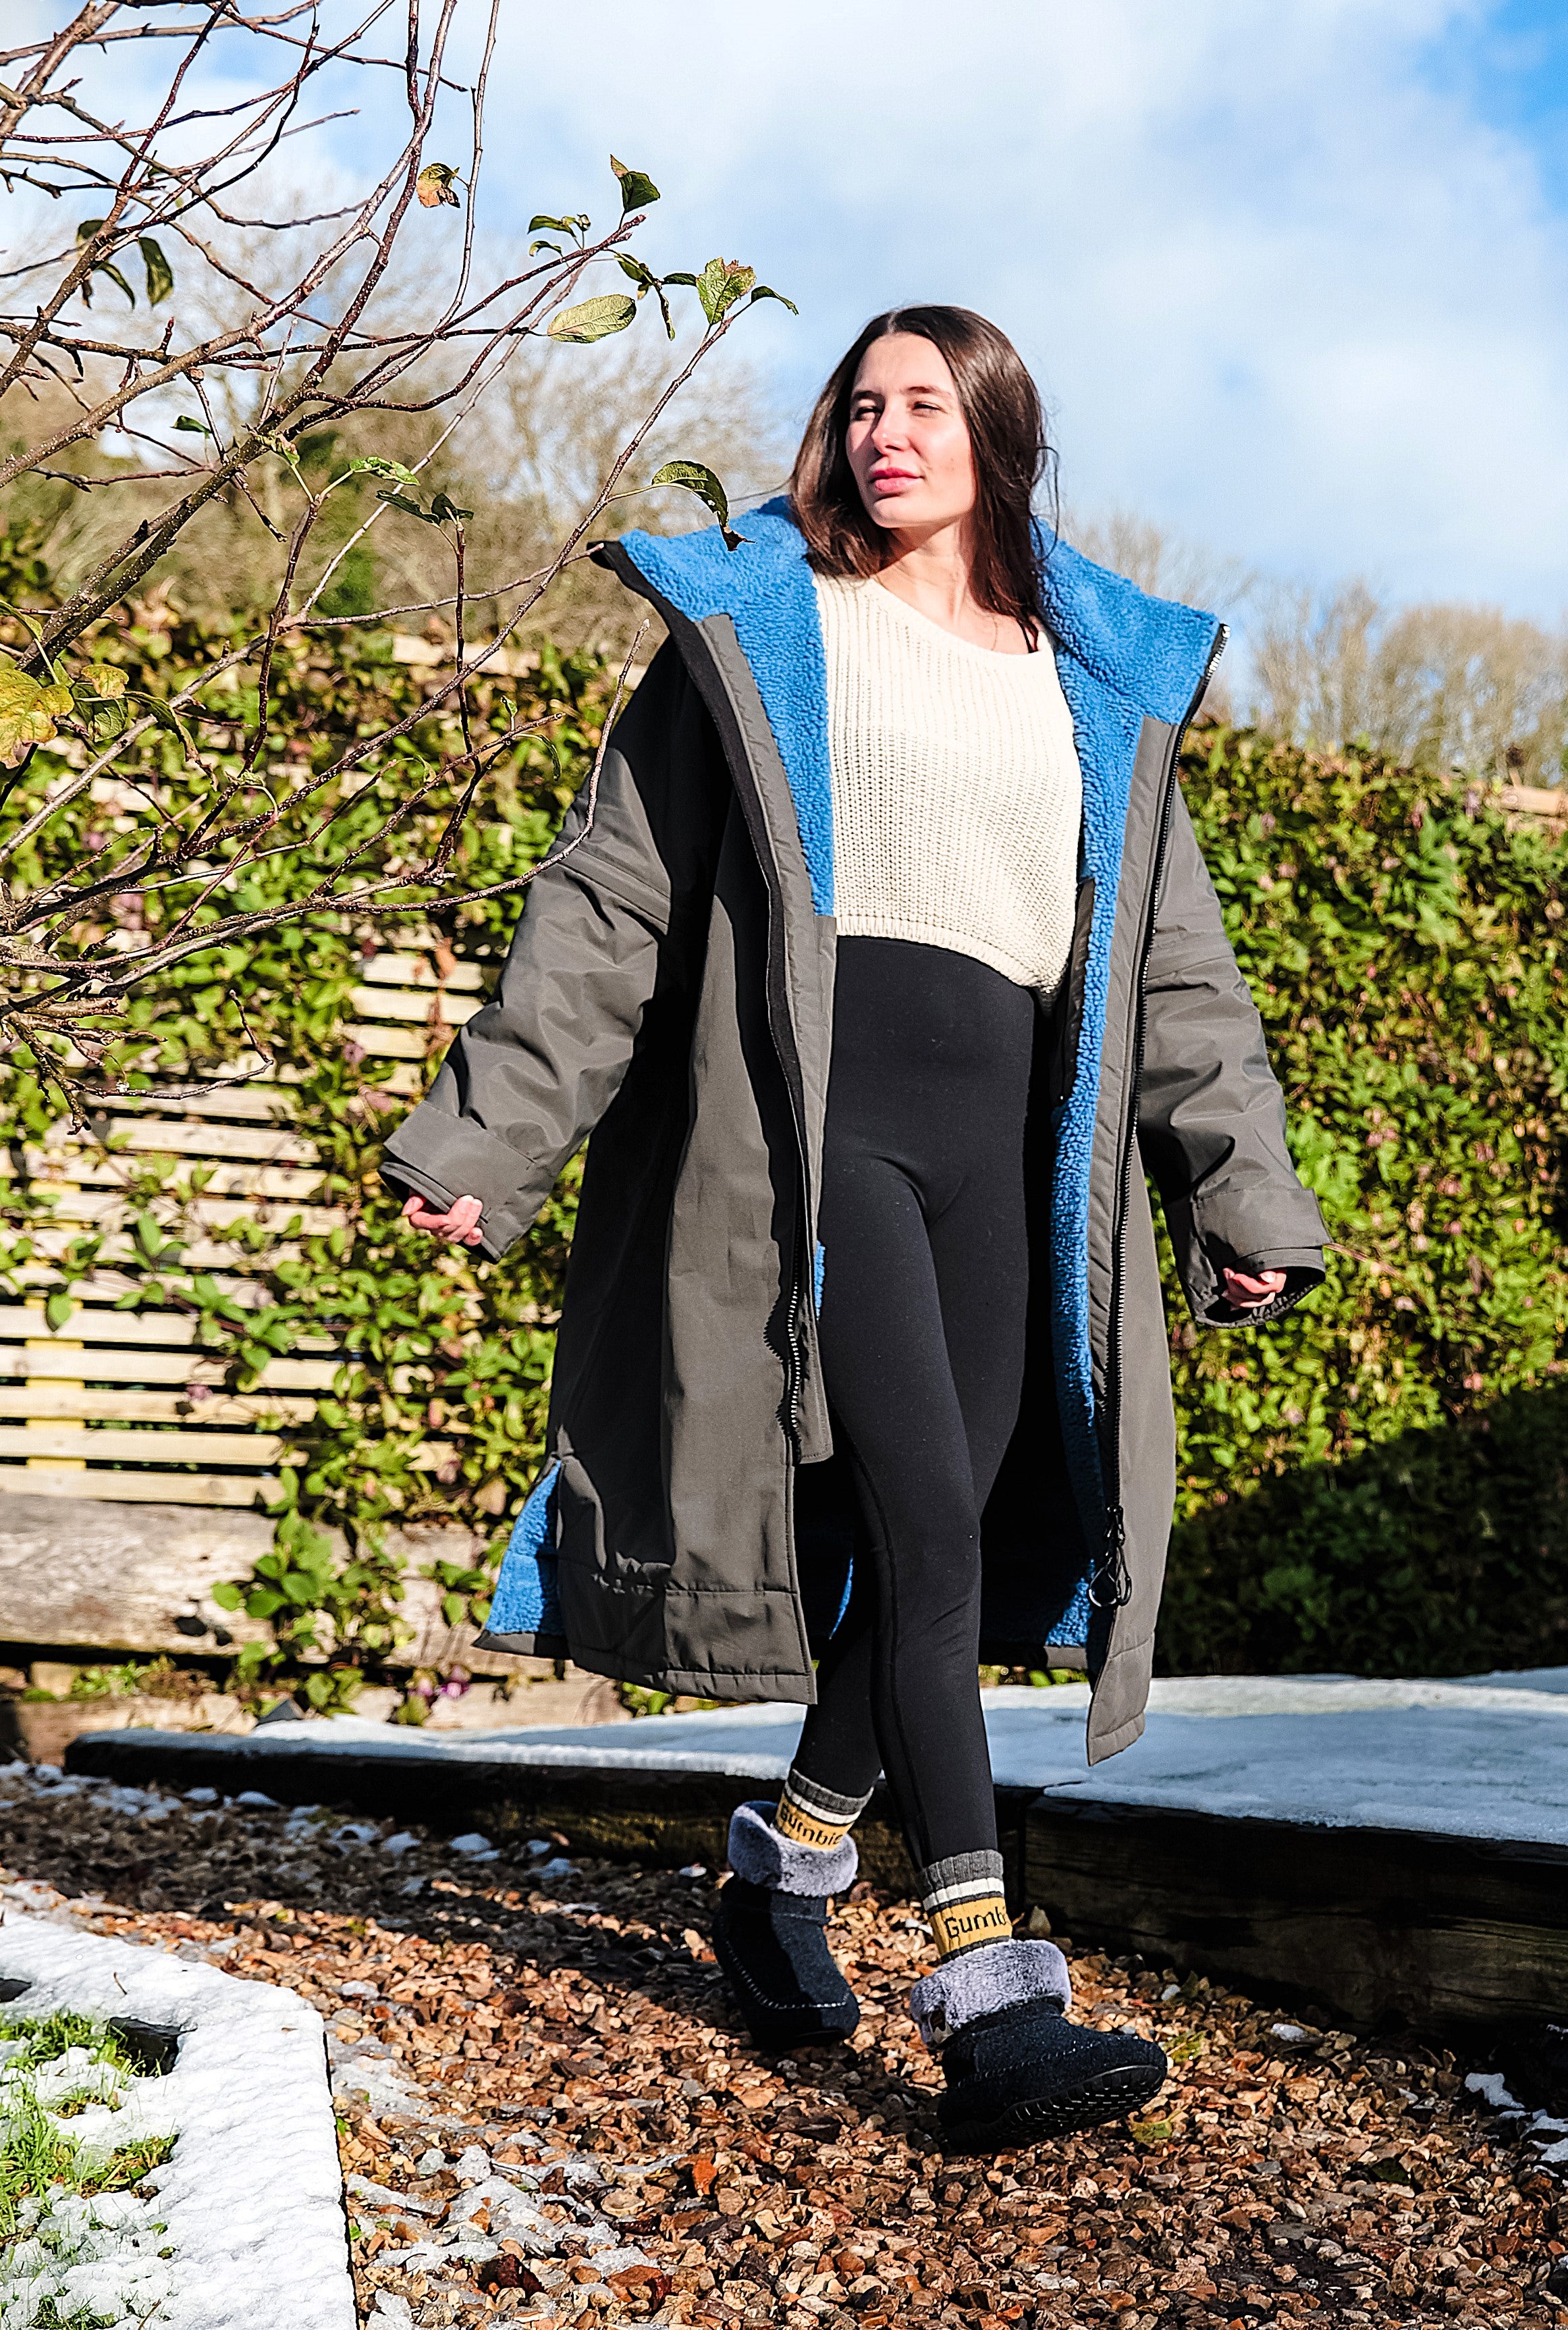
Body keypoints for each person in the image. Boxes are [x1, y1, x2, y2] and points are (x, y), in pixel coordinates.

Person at [383, 305, 1328, 2154]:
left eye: (926, 404)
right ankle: (992, 1995)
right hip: (831, 1140)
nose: (887, 431)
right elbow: (608, 904)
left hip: (1012, 1159)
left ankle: (782, 1868)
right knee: (923, 1521)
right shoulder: (766, 631)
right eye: (862, 402)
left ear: (996, 437)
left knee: (931, 1558)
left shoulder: (1096, 680)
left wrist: (1239, 1184)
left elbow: (1180, 979)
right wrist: (489, 1129)